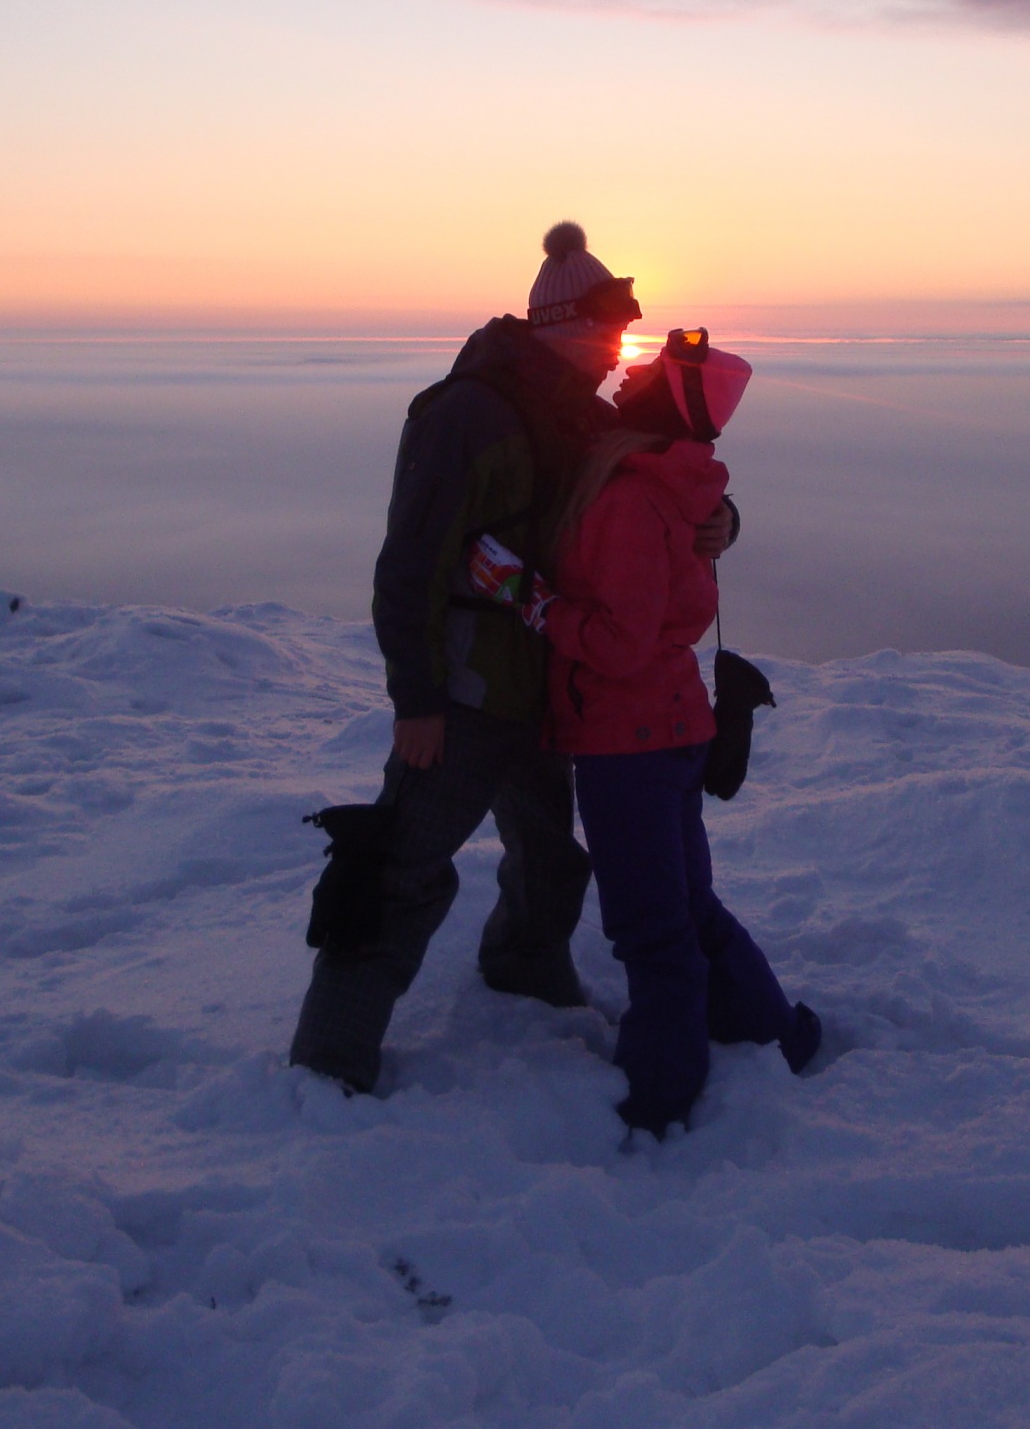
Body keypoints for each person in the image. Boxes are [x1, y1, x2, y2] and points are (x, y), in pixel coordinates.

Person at [290, 224, 731, 1095]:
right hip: (467, 695)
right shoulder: (466, 415)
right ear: (564, 326)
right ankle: (328, 1066)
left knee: (549, 859)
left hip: (552, 687)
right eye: (609, 332)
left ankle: (525, 974)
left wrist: (720, 522)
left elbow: (658, 489)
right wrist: (417, 700)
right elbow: (410, 563)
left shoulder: (582, 414)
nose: (619, 350)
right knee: (401, 869)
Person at [474, 328, 818, 1134]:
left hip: (627, 742)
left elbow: (620, 643)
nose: (627, 379)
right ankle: (773, 1031)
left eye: (649, 377)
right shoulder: (675, 474)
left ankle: (660, 1096)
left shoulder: (630, 496)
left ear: (665, 404)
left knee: (650, 927)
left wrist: (525, 596)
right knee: (688, 905)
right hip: (668, 727)